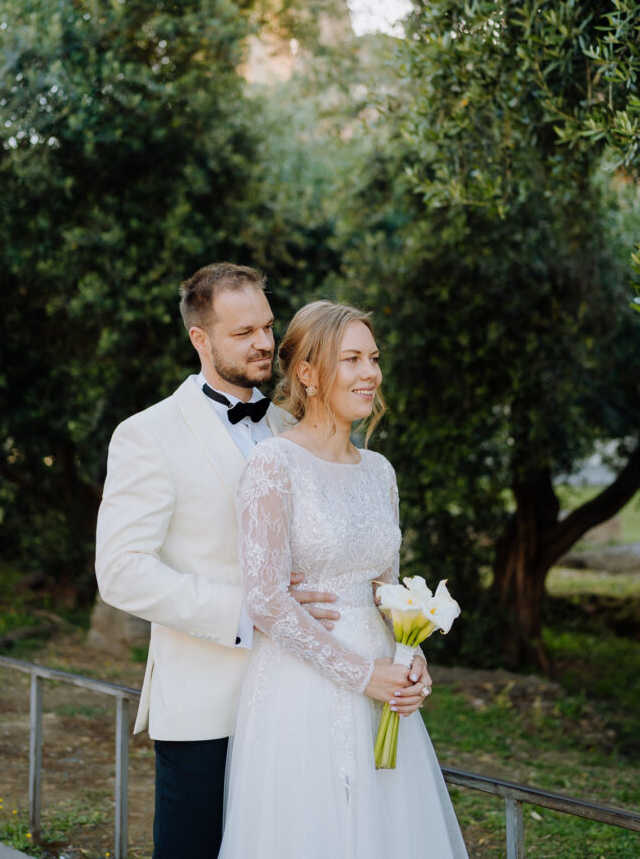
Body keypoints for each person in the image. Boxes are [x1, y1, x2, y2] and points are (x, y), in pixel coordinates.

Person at [96, 264, 360, 859]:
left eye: (267, 326)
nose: (264, 342)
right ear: (201, 340)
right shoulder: (148, 434)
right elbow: (120, 571)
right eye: (243, 333)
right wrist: (250, 611)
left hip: (301, 693)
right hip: (206, 703)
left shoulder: (295, 429)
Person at [218, 300, 469, 859]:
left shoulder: (380, 472)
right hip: (302, 686)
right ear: (307, 373)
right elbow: (265, 599)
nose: (370, 373)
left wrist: (411, 652)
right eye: (351, 358)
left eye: (373, 358)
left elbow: (386, 587)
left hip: (383, 683)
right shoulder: (273, 464)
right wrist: (361, 674)